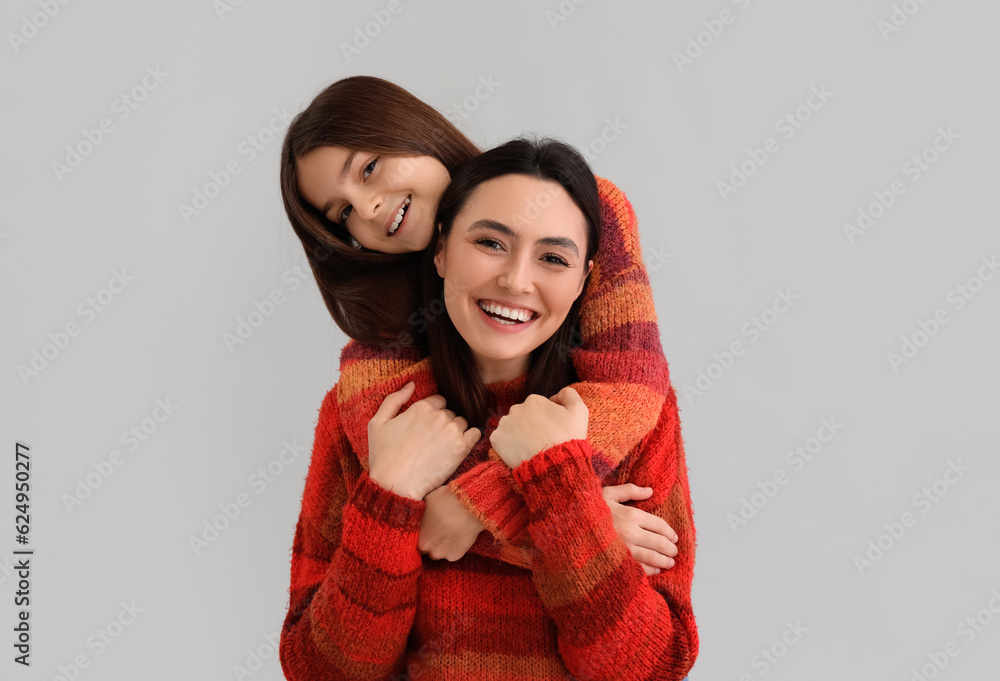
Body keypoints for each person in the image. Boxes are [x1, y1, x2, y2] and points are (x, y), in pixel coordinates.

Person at [279, 138, 697, 680]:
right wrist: (388, 496)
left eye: (553, 257)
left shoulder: (637, 419)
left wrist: (566, 501)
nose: (516, 280)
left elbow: (654, 668)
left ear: (584, 280)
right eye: (490, 243)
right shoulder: (364, 416)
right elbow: (320, 672)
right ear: (441, 250)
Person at [279, 76, 679, 575]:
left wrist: (477, 504)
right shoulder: (379, 341)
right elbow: (411, 498)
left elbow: (630, 384)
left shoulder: (574, 203)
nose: (367, 209)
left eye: (368, 169)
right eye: (342, 213)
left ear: (415, 131)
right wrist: (585, 528)